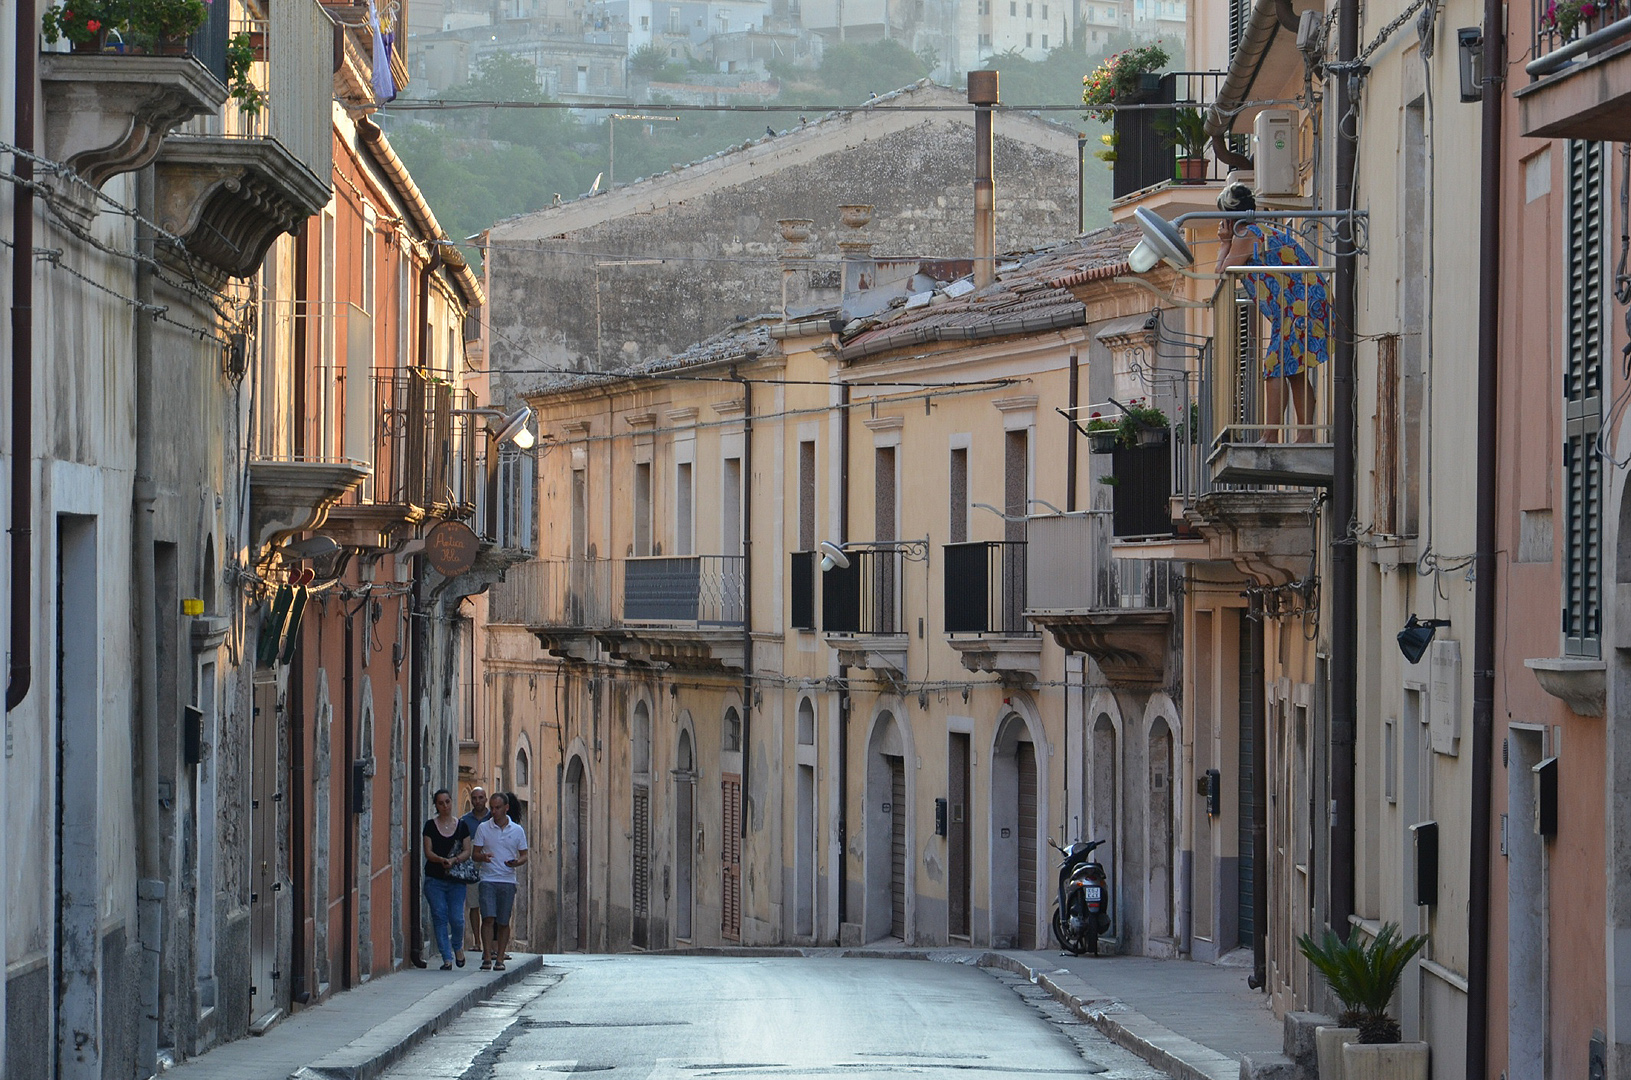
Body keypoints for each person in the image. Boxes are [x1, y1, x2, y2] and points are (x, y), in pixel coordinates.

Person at [1213, 182, 1330, 443]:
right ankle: (1304, 435)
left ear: (1231, 217)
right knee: (1294, 369)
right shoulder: (1258, 230)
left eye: (1223, 216)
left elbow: (1221, 274)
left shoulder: (1245, 235)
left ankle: (1271, 434)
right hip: (1302, 304)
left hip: (1298, 306)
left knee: (1273, 366)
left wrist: (1224, 244)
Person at [473, 791, 528, 971]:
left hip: (507, 880)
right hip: (488, 878)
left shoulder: (517, 830)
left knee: (504, 921)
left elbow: (524, 855)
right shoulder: (483, 828)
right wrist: (483, 857)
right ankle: (488, 956)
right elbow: (475, 854)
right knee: (488, 918)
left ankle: (501, 958)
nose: (494, 811)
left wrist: (516, 862)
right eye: (492, 808)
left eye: (498, 808)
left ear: (506, 808)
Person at [422, 788, 474, 970]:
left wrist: (454, 860)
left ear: (452, 802)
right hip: (434, 879)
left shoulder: (462, 826)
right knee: (440, 916)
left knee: (457, 918)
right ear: (436, 805)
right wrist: (441, 860)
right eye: (441, 803)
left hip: (456, 880)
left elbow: (468, 850)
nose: (445, 806)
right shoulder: (430, 826)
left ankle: (458, 946)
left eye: (447, 802)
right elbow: (428, 852)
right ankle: (447, 958)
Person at [459, 786, 491, 956]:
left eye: (481, 797)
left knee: (490, 904)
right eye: (475, 798)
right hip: (472, 864)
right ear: (471, 800)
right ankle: (477, 941)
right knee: (473, 904)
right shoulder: (464, 821)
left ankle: (491, 943)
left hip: (490, 863)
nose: (478, 801)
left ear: (486, 799)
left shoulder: (493, 818)